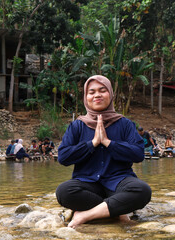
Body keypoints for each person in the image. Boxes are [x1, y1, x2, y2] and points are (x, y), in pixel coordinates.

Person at [56, 75, 151, 229]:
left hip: (119, 181)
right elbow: (63, 157)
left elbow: (138, 154)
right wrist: (92, 144)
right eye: (91, 92)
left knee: (142, 191)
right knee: (64, 192)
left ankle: (86, 214)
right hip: (87, 183)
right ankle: (117, 210)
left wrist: (108, 143)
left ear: (110, 95)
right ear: (86, 97)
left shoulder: (125, 124)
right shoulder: (77, 126)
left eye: (102, 90)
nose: (97, 95)